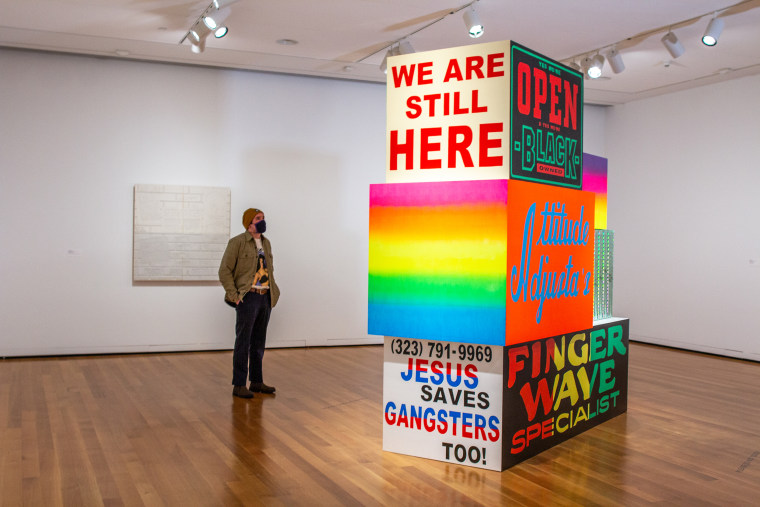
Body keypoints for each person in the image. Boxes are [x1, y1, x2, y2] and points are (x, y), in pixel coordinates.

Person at [219, 208, 281, 399]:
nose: (263, 221)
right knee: (243, 342)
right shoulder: (237, 242)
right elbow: (224, 271)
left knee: (258, 342)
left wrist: (272, 292)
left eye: (263, 218)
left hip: (265, 296)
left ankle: (256, 381)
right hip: (248, 297)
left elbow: (269, 269)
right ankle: (239, 384)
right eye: (258, 219)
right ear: (249, 223)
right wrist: (234, 295)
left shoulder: (266, 243)